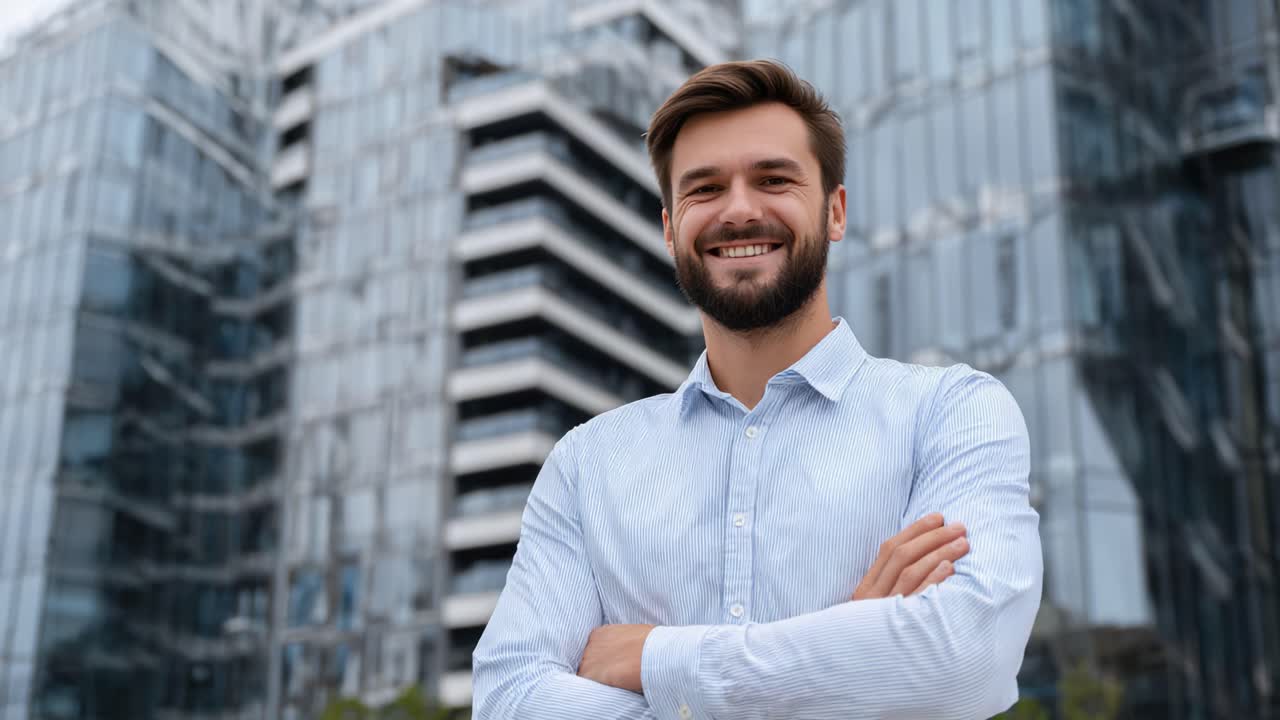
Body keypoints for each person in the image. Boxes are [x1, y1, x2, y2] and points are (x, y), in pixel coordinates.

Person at [471, 59, 1042, 719]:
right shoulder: (584, 465)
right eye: (705, 188)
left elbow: (965, 660)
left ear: (835, 210)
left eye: (773, 179)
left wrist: (653, 659)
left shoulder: (950, 415)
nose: (739, 211)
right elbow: (510, 701)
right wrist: (850, 657)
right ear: (669, 226)